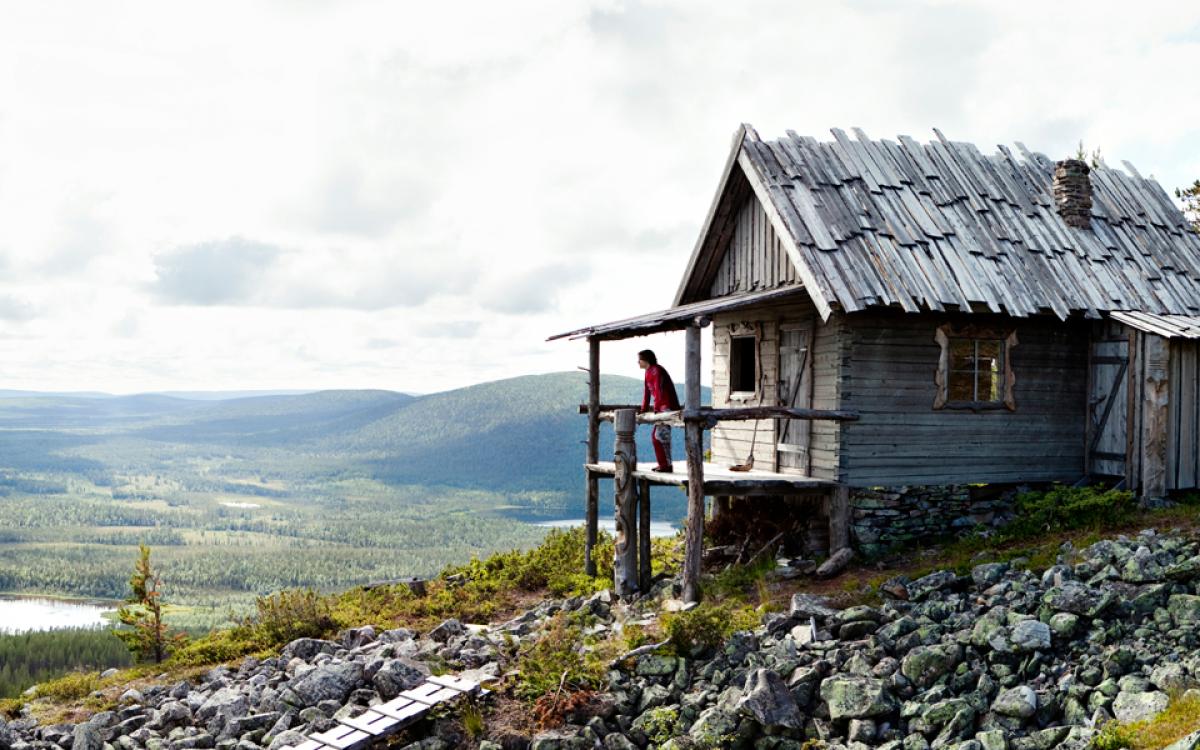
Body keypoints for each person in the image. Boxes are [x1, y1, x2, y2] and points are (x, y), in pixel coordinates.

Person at [638, 349, 681, 472]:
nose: (638, 362)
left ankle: (666, 465)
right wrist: (643, 409)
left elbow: (659, 390)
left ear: (645, 359)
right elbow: (647, 392)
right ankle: (664, 464)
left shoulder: (656, 370)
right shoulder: (648, 373)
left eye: (639, 359)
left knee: (660, 436)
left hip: (667, 407)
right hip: (661, 407)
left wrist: (657, 408)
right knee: (658, 436)